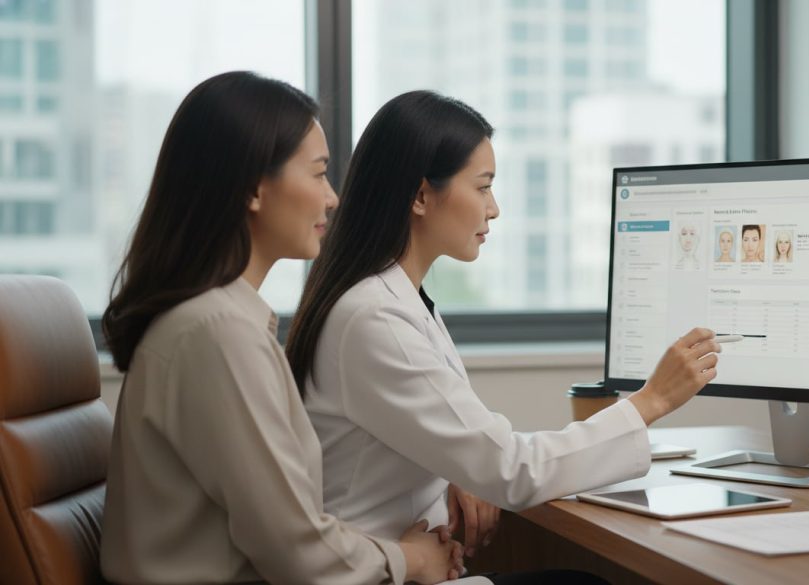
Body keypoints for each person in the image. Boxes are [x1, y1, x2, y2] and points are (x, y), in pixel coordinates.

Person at [285, 90, 721, 580]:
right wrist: (652, 400)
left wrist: (457, 470)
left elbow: (462, 443)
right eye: (483, 187)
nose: (493, 209)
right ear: (421, 196)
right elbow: (512, 469)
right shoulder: (375, 317)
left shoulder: (392, 300)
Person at [100, 73, 461, 585]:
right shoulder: (217, 333)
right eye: (318, 174)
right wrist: (411, 560)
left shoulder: (213, 323)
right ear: (254, 188)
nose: (332, 198)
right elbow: (298, 551)